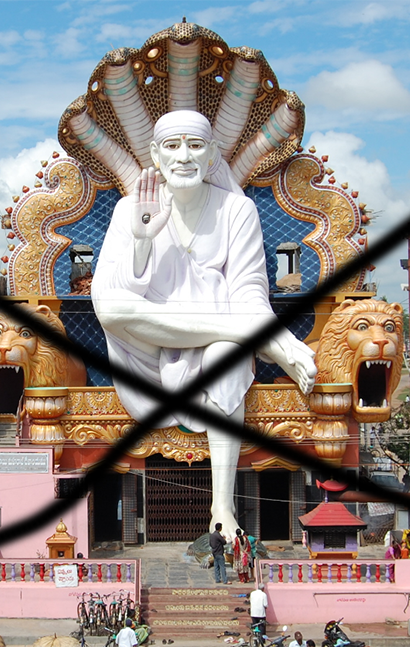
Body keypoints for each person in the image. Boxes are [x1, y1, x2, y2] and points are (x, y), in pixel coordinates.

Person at [93, 110, 317, 537]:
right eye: (172, 146)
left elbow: (250, 292)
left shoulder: (238, 210)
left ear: (213, 153)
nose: (184, 157)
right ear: (155, 156)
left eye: (195, 145)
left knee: (227, 357)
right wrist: (141, 241)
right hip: (149, 344)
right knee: (113, 309)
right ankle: (256, 338)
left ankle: (222, 508)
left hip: (219, 338)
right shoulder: (129, 210)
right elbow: (113, 297)